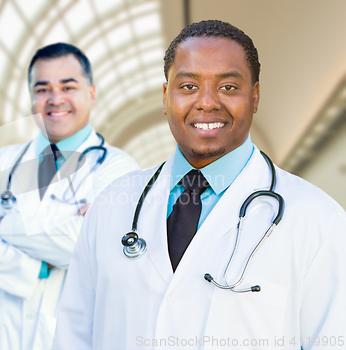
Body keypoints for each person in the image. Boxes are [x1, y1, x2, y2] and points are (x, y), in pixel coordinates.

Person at [52, 20, 346, 350]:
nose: (206, 102)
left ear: (255, 96)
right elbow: (73, 337)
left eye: (228, 87)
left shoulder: (318, 222)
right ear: (166, 97)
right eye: (189, 86)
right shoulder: (111, 206)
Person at [0, 43, 139, 350]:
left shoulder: (118, 169)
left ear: (91, 94)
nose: (55, 99)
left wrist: (1, 228)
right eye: (43, 89)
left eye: (68, 86)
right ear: (31, 99)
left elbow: (88, 246)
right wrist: (36, 267)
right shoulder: (0, 164)